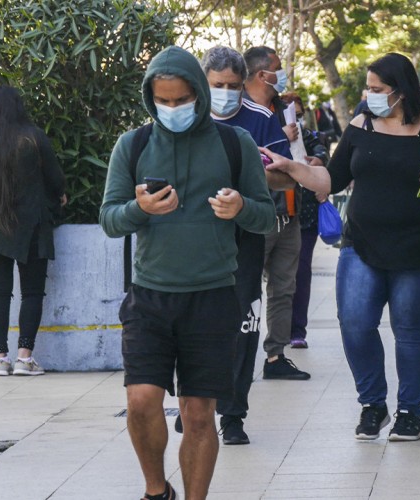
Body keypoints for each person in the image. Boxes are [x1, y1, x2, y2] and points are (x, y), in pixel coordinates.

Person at [261, 52, 420, 442]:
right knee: (356, 324)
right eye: (368, 88)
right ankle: (372, 404)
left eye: (377, 89)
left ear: (400, 91)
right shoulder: (361, 124)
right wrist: (294, 168)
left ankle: (410, 411)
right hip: (362, 243)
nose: (369, 95)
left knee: (409, 330)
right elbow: (332, 179)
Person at [99, 46, 275, 499]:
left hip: (214, 295)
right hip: (150, 297)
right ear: (150, 98)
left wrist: (239, 208)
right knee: (140, 402)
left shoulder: (235, 145)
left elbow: (266, 217)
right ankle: (157, 490)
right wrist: (139, 208)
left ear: (198, 93)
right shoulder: (132, 145)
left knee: (199, 414)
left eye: (181, 99)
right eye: (164, 101)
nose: (173, 108)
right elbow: (109, 219)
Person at [195, 45, 301, 445]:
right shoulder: (187, 117)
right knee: (197, 326)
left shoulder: (260, 119)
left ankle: (234, 413)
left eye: (233, 86)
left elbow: (287, 178)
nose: (225, 93)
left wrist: (257, 170)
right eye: (217, 85)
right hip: (196, 240)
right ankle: (196, 403)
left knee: (243, 325)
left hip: (245, 236)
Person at [0, 86, 66, 377]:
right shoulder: (31, 136)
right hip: (30, 224)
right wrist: (60, 196)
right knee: (31, 292)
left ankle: (0, 359)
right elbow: (56, 179)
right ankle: (24, 358)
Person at [242, 46, 312, 381]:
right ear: (261, 74)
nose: (282, 75)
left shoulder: (283, 108)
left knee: (284, 287)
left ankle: (276, 356)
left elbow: (295, 155)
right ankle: (235, 355)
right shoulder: (240, 111)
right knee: (245, 290)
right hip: (258, 216)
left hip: (289, 211)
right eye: (278, 69)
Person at [283, 92, 330, 350]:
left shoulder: (309, 138)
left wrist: (319, 160)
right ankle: (277, 331)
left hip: (306, 216)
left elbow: (322, 151)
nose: (295, 122)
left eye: (299, 116)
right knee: (280, 278)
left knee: (301, 272)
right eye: (290, 116)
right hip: (275, 214)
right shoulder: (271, 135)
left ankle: (297, 330)